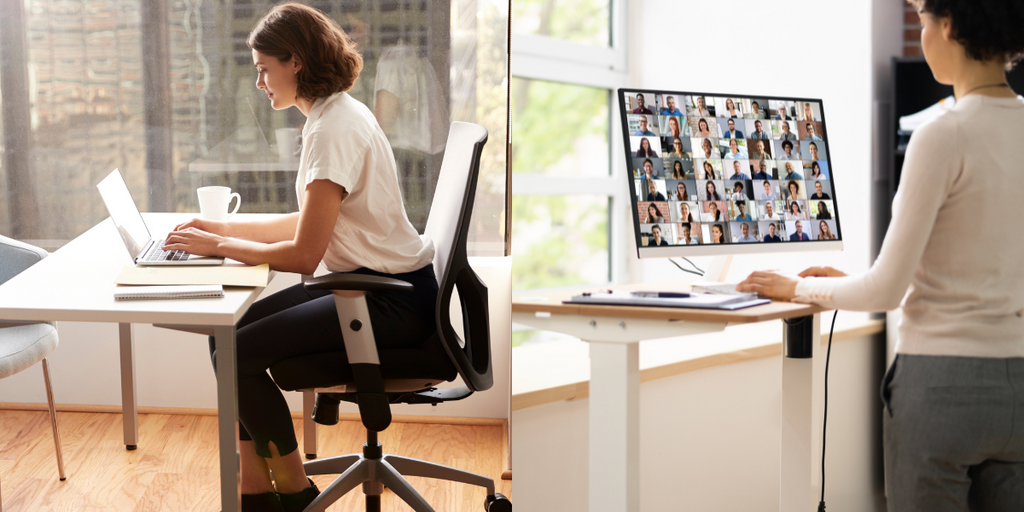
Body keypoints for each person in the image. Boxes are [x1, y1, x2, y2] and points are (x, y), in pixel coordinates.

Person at [737, 4, 1024, 508]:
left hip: (943, 388)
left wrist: (797, 288)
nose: (923, 34)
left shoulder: (943, 133)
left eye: (923, 22)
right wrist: (854, 278)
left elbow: (885, 292)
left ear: (949, 26)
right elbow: (982, 259)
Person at [162, 5, 438, 510]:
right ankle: (252, 481)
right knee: (223, 333)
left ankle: (291, 489)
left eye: (266, 68)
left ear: (296, 63)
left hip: (389, 301)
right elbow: (310, 220)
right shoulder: (333, 115)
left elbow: (305, 253)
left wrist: (220, 246)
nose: (261, 81)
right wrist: (219, 227)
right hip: (372, 286)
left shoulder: (333, 130)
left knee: (237, 353)